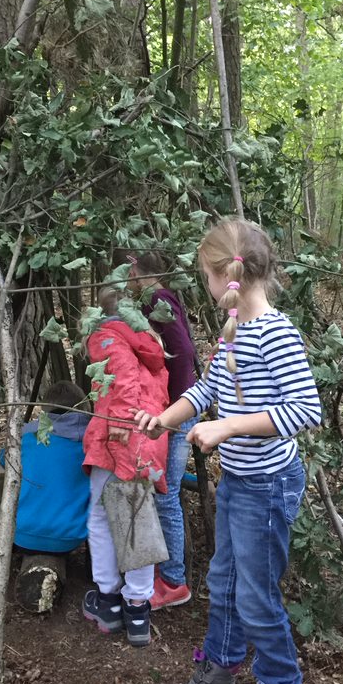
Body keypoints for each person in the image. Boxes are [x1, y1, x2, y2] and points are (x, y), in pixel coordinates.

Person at [135, 218, 322, 684]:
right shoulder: (234, 331)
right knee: (224, 584)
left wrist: (228, 430)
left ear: (226, 274)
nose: (207, 287)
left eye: (206, 276)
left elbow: (303, 411)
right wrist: (163, 420)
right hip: (240, 485)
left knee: (258, 602)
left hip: (268, 488)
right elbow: (208, 389)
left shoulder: (274, 332)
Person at [82, 286, 170, 646]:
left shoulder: (107, 336)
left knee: (102, 516)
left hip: (120, 437)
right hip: (148, 437)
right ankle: (137, 608)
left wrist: (120, 425)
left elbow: (122, 380)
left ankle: (109, 600)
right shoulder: (148, 341)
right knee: (137, 517)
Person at [128, 251, 198, 609]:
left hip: (177, 411)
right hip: (177, 408)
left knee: (165, 492)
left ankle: (174, 582)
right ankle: (168, 573)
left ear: (136, 269)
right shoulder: (163, 297)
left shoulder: (156, 298)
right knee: (165, 490)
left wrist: (173, 405)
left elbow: (184, 352)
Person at [0, 381, 90, 596]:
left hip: (20, 533)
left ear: (44, 409)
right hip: (70, 537)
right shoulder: (92, 440)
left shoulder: (27, 435)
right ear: (83, 407)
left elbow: (6, 460)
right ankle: (96, 569)